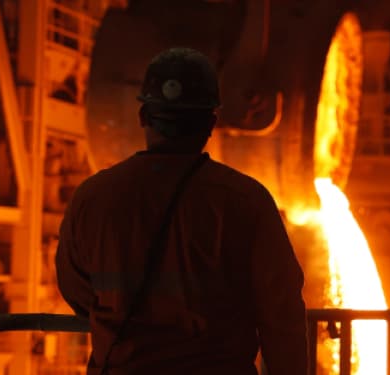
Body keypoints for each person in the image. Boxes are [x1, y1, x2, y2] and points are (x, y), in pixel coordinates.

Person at [55, 47, 308, 375]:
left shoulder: (93, 198)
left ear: (143, 117)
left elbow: (77, 293)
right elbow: (282, 314)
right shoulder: (247, 202)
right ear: (210, 124)